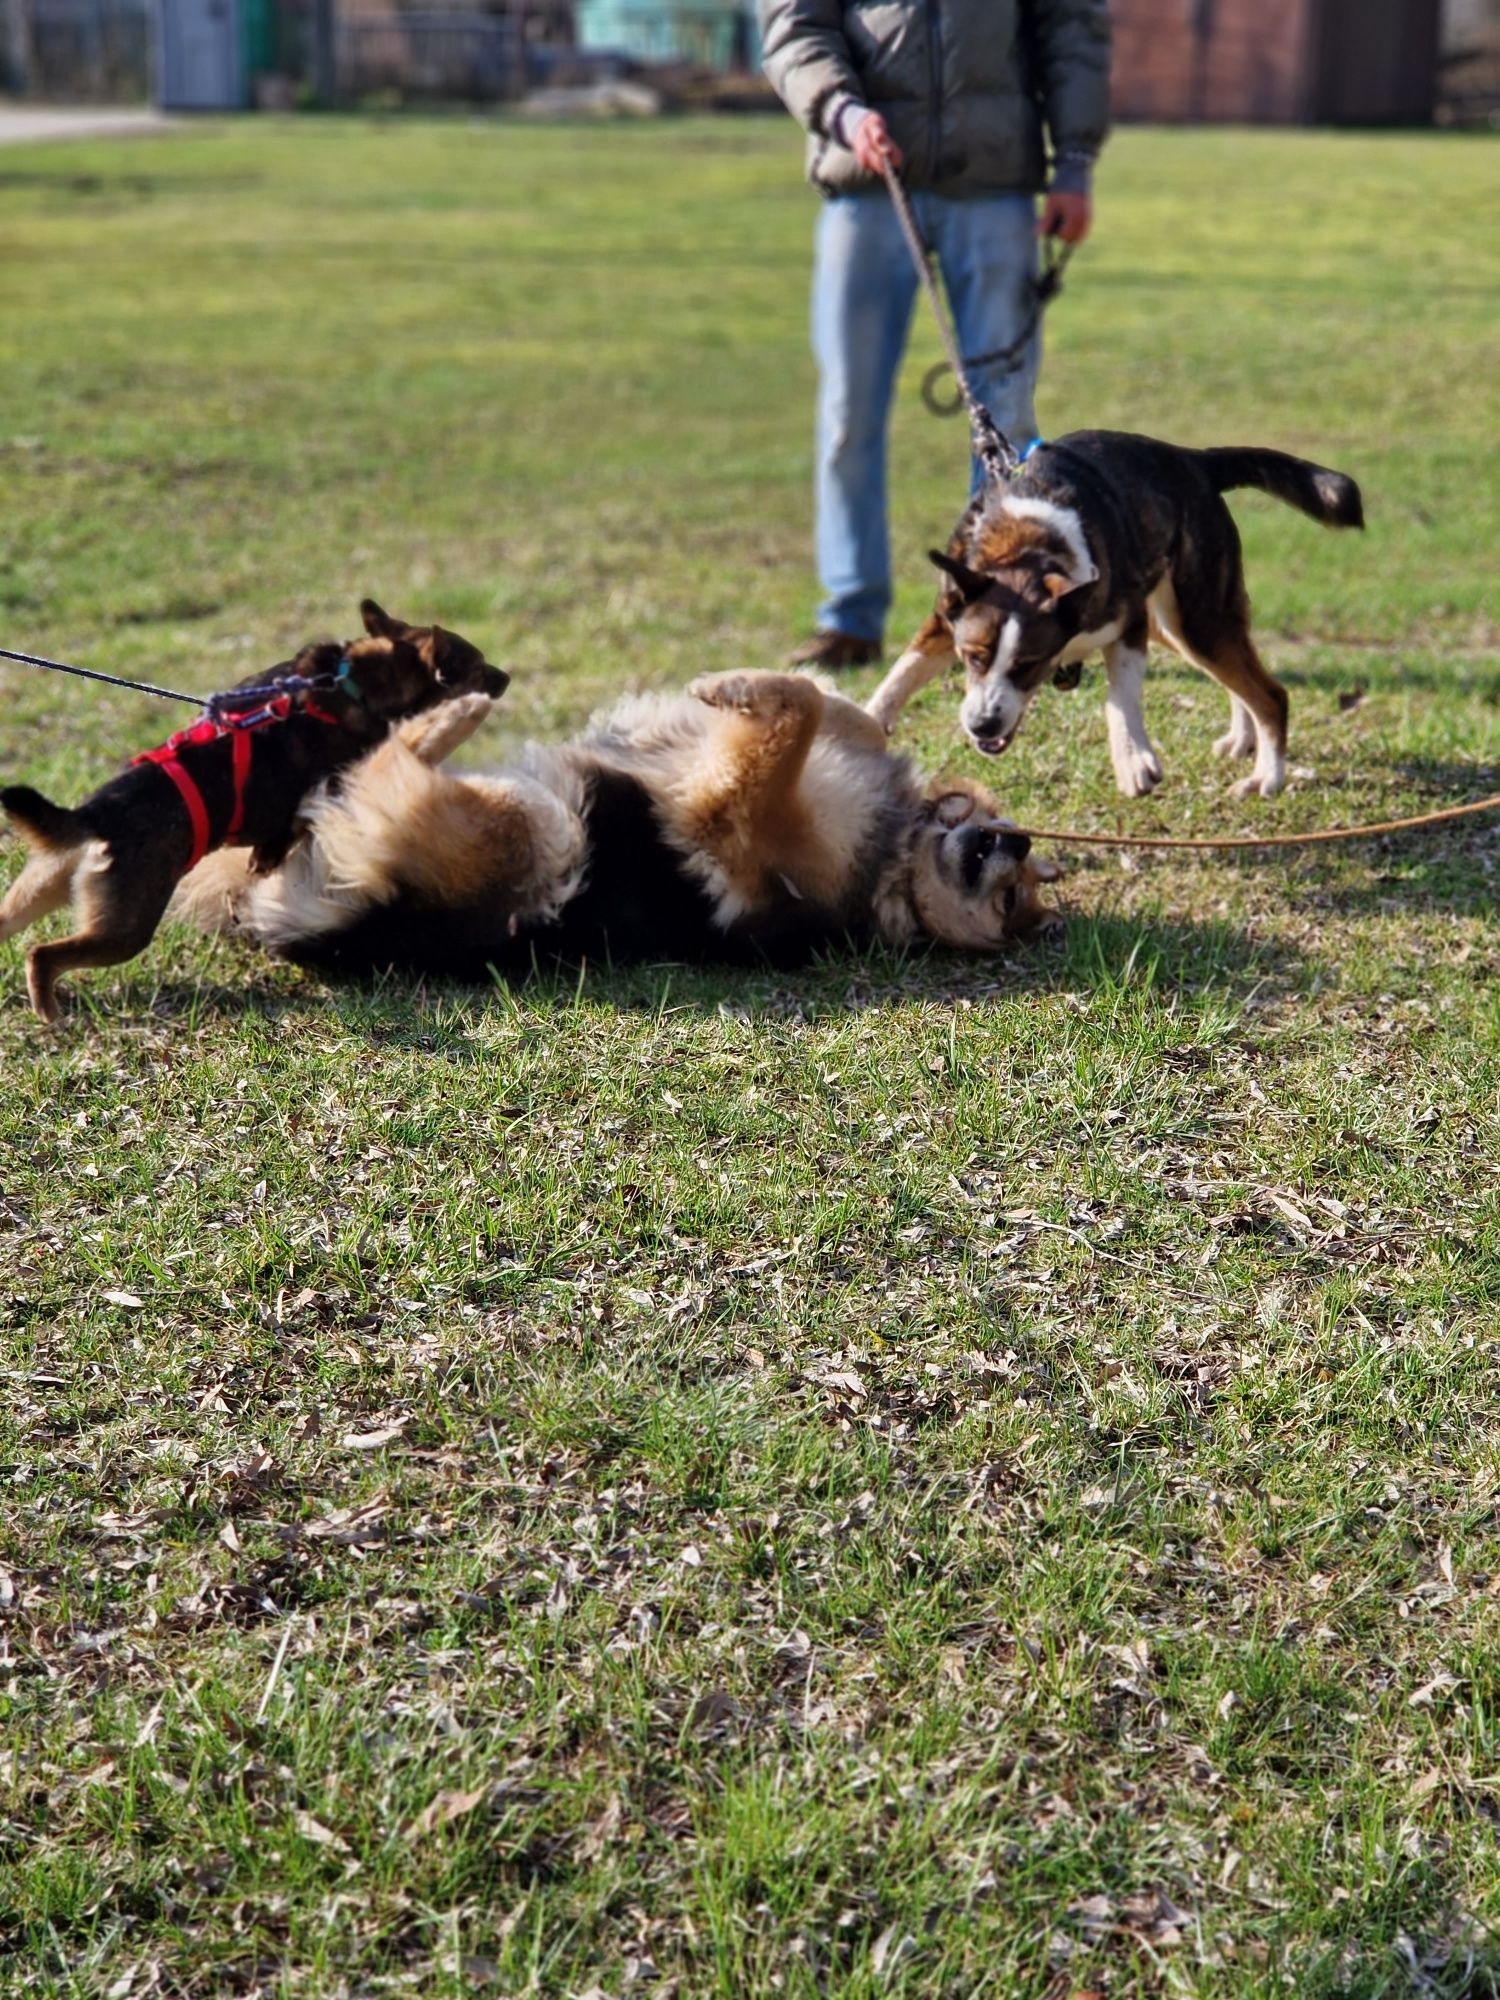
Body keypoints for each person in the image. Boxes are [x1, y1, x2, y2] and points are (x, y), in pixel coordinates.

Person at [758, 0, 1112, 668]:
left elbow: (1069, 28)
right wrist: (843, 111)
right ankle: (851, 616)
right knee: (848, 413)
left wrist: (1074, 161)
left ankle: (1004, 607)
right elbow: (794, 25)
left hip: (996, 187)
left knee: (1006, 417)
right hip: (866, 182)